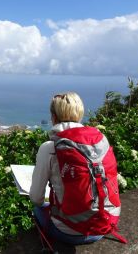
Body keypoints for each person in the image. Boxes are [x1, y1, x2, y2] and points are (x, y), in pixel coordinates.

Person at [29, 92, 109, 245]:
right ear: (79, 114)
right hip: (101, 227)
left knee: (38, 209)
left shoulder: (49, 147)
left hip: (67, 232)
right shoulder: (99, 143)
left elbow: (36, 198)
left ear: (54, 117)